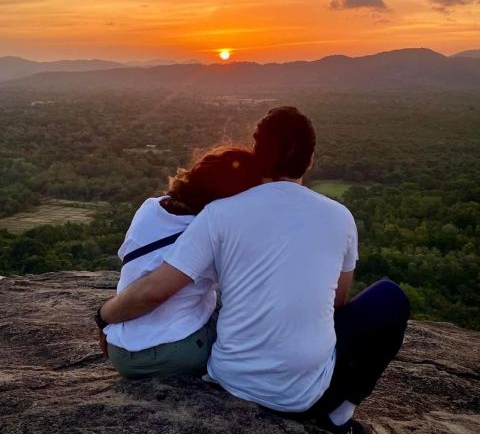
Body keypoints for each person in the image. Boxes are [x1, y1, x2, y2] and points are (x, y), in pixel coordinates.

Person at [97, 107, 409, 434]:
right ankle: (341, 414)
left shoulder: (218, 213)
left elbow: (156, 288)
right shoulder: (340, 217)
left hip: (229, 378)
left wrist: (104, 317)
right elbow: (337, 303)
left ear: (258, 154)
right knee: (390, 297)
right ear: (311, 159)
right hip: (302, 395)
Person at [97, 146, 261, 379]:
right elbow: (246, 293)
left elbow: (131, 263)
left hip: (120, 349)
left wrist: (104, 318)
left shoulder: (150, 207)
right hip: (172, 352)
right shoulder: (211, 235)